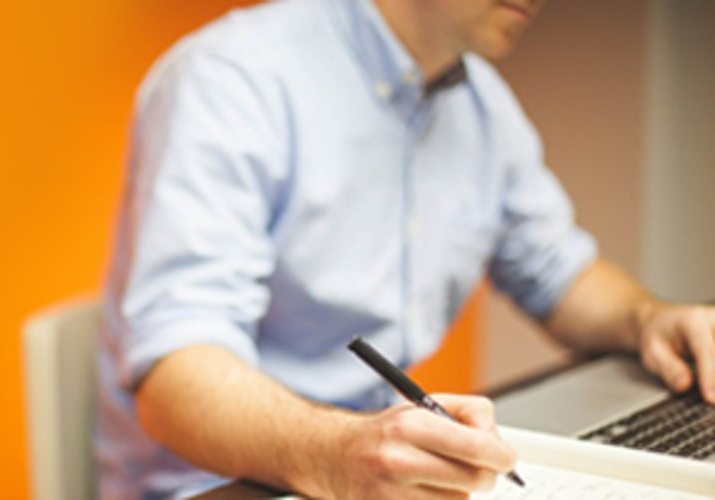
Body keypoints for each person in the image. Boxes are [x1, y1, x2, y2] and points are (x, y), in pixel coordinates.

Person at [97, 0, 715, 498]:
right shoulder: (231, 79)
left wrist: (649, 320)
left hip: (368, 469)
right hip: (226, 485)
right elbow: (174, 379)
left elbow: (556, 271)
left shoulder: (482, 107)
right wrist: (335, 456)